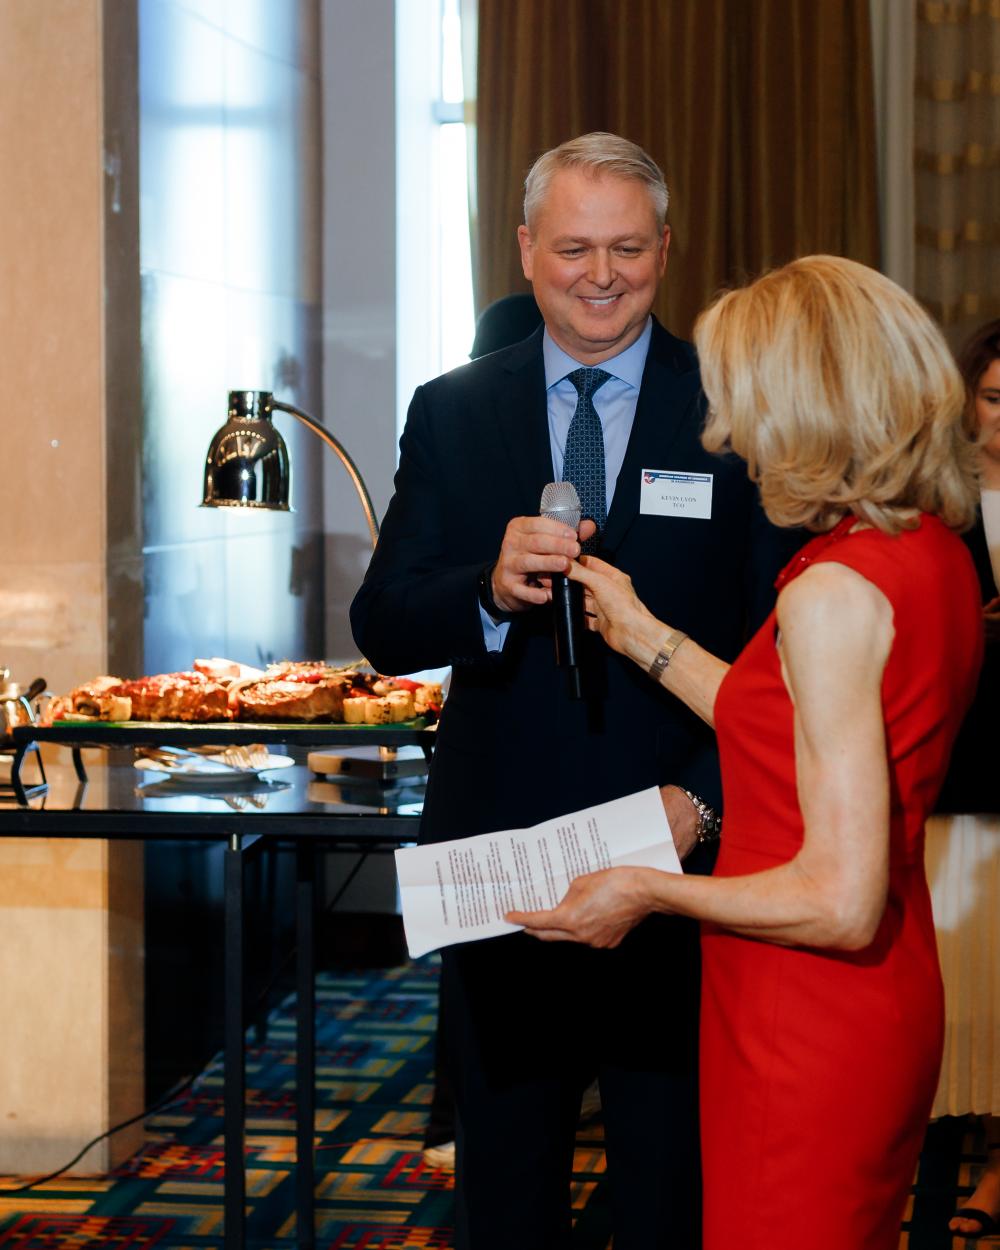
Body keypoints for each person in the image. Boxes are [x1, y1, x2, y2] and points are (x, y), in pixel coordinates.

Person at [351, 132, 804, 1250]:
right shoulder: (453, 408)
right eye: (573, 249)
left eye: (627, 249)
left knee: (671, 1189)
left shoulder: (738, 407)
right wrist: (484, 589)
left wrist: (703, 803)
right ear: (524, 250)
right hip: (503, 861)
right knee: (506, 1191)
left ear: (665, 249)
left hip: (681, 857)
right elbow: (384, 622)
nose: (601, 275)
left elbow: (780, 652)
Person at [510, 255, 984, 1250]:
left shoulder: (831, 593)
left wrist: (645, 889)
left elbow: (838, 900)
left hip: (801, 1010)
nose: (726, 433)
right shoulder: (922, 549)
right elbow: (789, 723)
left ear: (807, 405)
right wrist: (643, 632)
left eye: (741, 400)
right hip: (873, 992)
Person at [935, 318, 1000, 1241]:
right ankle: (971, 1144)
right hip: (960, 757)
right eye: (993, 400)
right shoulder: (937, 500)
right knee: (967, 979)